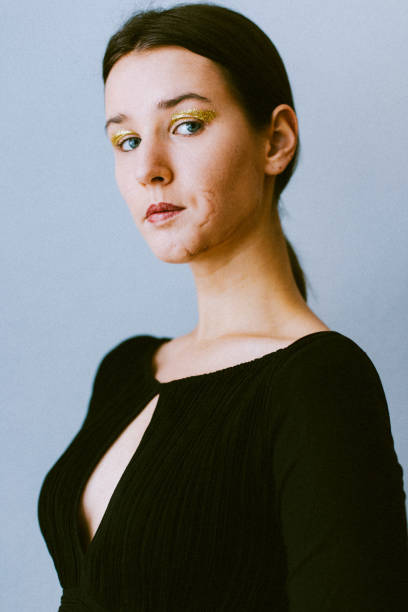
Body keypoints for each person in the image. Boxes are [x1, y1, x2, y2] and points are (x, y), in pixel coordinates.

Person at [37, 3, 408, 610]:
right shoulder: (127, 370)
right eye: (126, 140)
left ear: (276, 140)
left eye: (186, 125)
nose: (148, 169)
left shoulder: (319, 382)